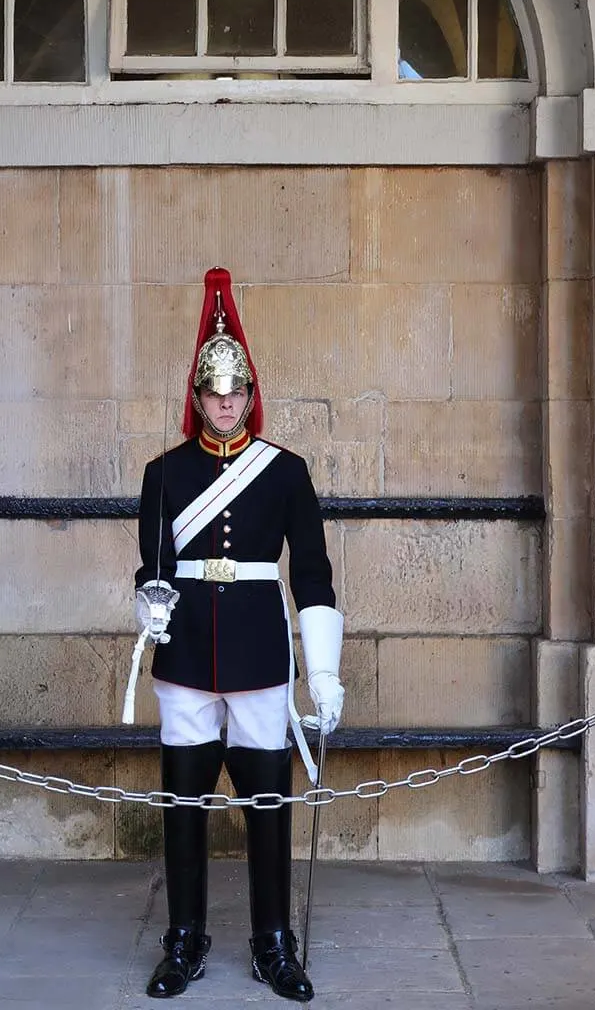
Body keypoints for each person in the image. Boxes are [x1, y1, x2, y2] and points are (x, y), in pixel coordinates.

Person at [134, 267, 345, 1003]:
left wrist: (323, 673)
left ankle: (272, 943)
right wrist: (150, 606)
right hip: (187, 653)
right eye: (213, 393)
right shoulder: (163, 474)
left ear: (251, 395)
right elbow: (152, 568)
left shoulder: (285, 473)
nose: (226, 404)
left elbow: (311, 577)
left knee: (268, 805)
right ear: (197, 398)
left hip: (259, 652)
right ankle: (184, 939)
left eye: (237, 392)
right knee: (184, 804)